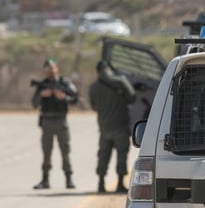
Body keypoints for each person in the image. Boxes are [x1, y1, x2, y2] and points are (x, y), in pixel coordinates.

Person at [89, 59, 135, 193]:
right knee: (122, 155)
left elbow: (93, 106)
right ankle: (120, 184)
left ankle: (101, 183)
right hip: (120, 126)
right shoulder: (120, 81)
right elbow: (132, 97)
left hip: (104, 128)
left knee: (103, 155)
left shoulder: (94, 87)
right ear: (109, 69)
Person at [32, 58, 79, 189]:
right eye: (47, 69)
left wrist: (64, 98)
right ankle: (45, 180)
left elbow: (75, 98)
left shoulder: (65, 83)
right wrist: (42, 95)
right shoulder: (43, 85)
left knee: (65, 151)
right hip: (47, 121)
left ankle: (69, 178)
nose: (50, 71)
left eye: (52, 68)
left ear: (57, 68)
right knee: (46, 152)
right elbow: (34, 103)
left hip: (61, 121)